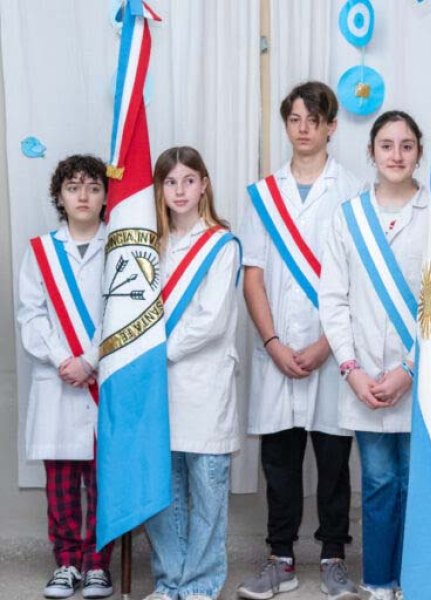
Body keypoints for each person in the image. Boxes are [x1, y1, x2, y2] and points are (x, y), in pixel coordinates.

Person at [237, 81, 363, 600]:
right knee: (280, 461)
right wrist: (272, 343)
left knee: (334, 460)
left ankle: (334, 557)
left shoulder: (354, 189)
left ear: (332, 126)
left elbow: (360, 280)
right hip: (278, 350)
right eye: (295, 119)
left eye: (314, 119)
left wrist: (326, 344)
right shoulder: (263, 194)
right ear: (286, 125)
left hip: (334, 350)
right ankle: (280, 559)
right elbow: (253, 275)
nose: (304, 128)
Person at [320, 110, 428, 600]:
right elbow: (333, 298)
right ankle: (379, 581)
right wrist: (351, 369)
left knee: (415, 484)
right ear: (371, 152)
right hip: (362, 377)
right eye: (387, 145)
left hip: (417, 376)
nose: (397, 155)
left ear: (419, 152)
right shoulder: (348, 215)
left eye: (406, 146)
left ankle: (414, 578)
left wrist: (411, 368)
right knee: (379, 483)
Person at [141, 147, 241, 600]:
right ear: (159, 189)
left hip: (202, 384)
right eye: (170, 182)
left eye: (188, 180)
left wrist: (154, 352)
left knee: (206, 491)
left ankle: (200, 583)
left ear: (204, 185)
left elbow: (210, 320)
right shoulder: (148, 247)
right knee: (163, 491)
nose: (179, 190)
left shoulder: (222, 244)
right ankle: (170, 580)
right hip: (155, 389)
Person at [17, 155, 114, 599]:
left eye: (93, 187)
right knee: (60, 480)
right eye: (73, 187)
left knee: (101, 477)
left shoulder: (119, 249)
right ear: (59, 195)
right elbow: (31, 316)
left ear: (105, 196)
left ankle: (97, 562)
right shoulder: (39, 251)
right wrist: (64, 360)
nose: (83, 195)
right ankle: (67, 561)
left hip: (102, 377)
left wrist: (90, 359)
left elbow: (123, 314)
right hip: (58, 380)